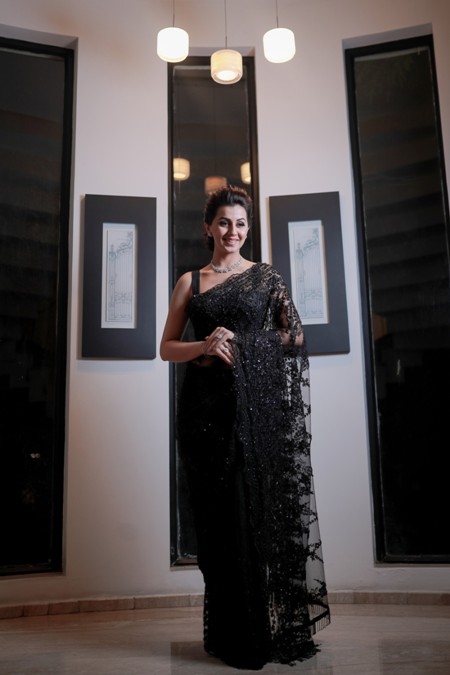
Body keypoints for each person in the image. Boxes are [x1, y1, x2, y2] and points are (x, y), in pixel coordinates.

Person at [160, 185, 330, 670]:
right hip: (203, 415)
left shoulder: (265, 277)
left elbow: (295, 335)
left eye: (240, 224)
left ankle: (254, 636)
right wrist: (205, 346)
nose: (232, 231)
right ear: (208, 227)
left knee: (248, 516)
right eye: (224, 222)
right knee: (216, 525)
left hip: (254, 412)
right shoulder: (190, 282)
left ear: (248, 229)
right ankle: (227, 633)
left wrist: (246, 342)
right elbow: (166, 347)